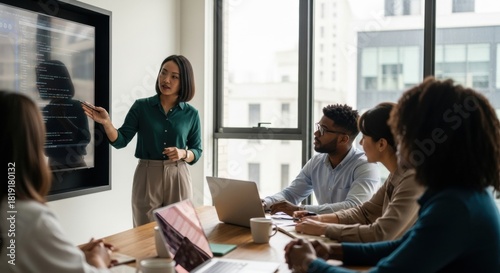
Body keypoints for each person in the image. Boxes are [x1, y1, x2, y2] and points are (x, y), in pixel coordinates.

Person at [284, 77, 500, 273]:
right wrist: (334, 251)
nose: (399, 143)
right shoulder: (462, 195)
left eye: (403, 132)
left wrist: (310, 263)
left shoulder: (455, 207)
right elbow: (405, 245)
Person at [0, 91, 114, 273]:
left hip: (74, 163)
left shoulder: (76, 107)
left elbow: (84, 139)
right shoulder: (32, 219)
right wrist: (98, 259)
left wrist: (71, 254)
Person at [82, 55, 202, 227]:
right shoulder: (141, 107)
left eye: (174, 77)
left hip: (178, 175)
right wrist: (107, 123)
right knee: (144, 233)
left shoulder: (191, 114)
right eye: (163, 73)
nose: (166, 80)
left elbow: (197, 151)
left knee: (180, 234)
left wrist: (183, 153)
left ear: (185, 82)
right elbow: (121, 141)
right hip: (147, 175)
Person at [293, 102, 424, 242]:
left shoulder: (412, 179)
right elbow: (364, 212)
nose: (361, 143)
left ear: (381, 144)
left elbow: (380, 233)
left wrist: (323, 228)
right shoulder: (395, 175)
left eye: (364, 137)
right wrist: (318, 218)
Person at [262, 104, 380, 216]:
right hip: (322, 229)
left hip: (353, 234)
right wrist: (265, 203)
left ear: (343, 139)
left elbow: (353, 207)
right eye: (318, 127)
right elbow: (291, 194)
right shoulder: (316, 162)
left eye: (323, 130)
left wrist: (300, 210)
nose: (316, 133)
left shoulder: (365, 166)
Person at [36, 60, 91, 169]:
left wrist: (63, 119)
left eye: (42, 79)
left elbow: (84, 139)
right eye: (38, 79)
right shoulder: (47, 110)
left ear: (57, 81)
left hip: (74, 167)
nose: (38, 84)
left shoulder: (75, 106)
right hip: (53, 167)